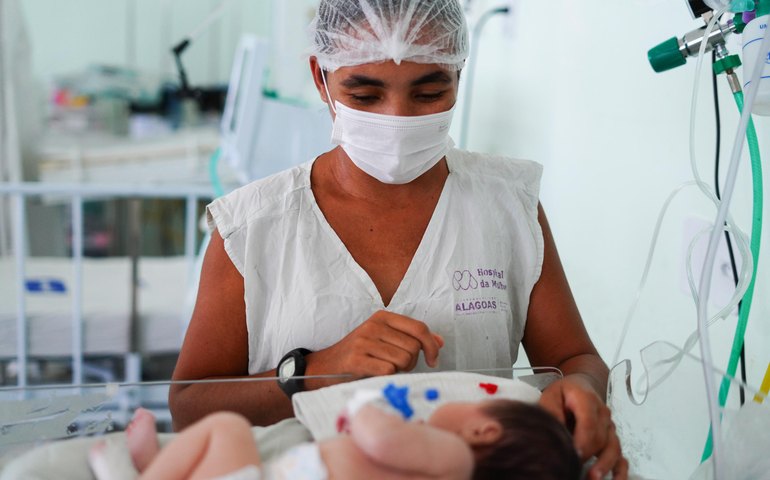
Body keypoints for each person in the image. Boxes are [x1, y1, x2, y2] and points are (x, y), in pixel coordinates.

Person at [170, 0, 627, 478]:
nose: (397, 119)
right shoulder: (253, 227)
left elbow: (575, 359)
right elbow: (188, 407)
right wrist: (313, 372)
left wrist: (582, 393)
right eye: (365, 95)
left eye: (429, 92)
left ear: (459, 74)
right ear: (321, 78)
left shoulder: (508, 207)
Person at [90, 400, 581, 480]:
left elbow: (381, 440)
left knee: (228, 428)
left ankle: (143, 474)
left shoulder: (454, 457)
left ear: (481, 430)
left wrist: (366, 408)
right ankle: (156, 466)